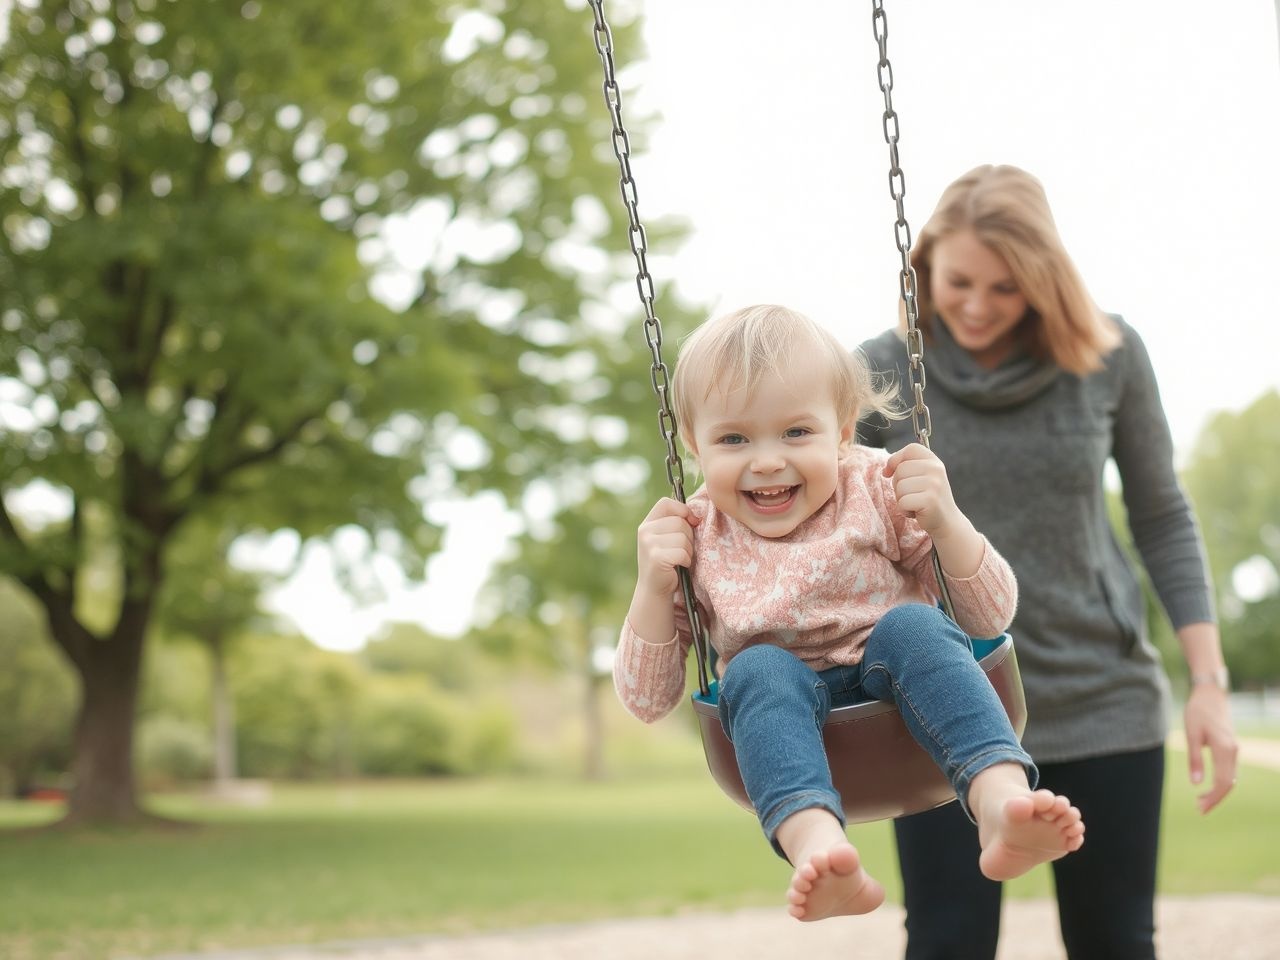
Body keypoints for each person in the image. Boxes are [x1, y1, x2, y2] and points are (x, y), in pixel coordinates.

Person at [857, 164, 1239, 959]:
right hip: (942, 702)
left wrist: (1207, 682)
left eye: (1006, 288)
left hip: (1101, 695)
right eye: (960, 282)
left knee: (1116, 942)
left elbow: (1162, 516)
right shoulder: (881, 372)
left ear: (1044, 281)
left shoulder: (1109, 355)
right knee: (947, 943)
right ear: (925, 267)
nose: (977, 305)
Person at [613, 303, 1085, 923]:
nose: (766, 460)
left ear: (840, 432)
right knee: (755, 669)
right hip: (785, 713)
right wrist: (651, 589)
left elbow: (989, 618)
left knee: (913, 625)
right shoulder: (696, 534)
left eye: (795, 432)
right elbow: (648, 700)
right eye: (733, 438)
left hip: (904, 685)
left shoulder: (875, 488)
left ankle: (1001, 802)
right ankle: (819, 848)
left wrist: (948, 521)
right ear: (693, 445)